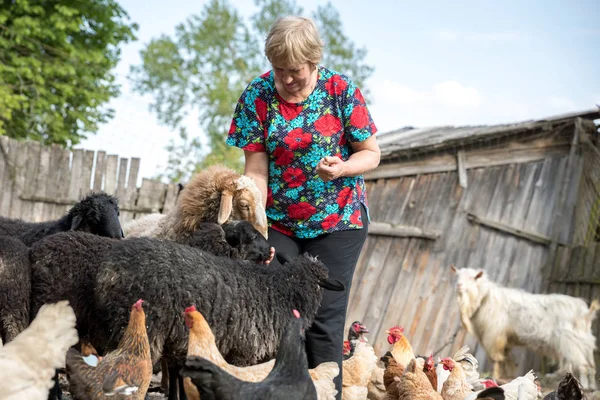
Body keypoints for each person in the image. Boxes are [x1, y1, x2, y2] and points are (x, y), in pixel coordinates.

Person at [226, 15, 380, 397]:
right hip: (280, 222)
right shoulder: (258, 95)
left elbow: (371, 153)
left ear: (313, 62)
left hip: (338, 219)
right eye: (279, 69)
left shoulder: (340, 90)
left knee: (324, 319)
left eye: (294, 71)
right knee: (276, 309)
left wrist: (343, 167)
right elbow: (257, 169)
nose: (286, 79)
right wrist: (253, 211)